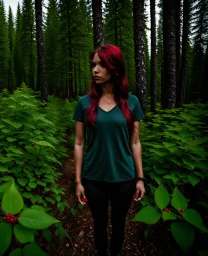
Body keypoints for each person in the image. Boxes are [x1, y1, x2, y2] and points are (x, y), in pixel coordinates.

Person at [72, 44, 145, 256]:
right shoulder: (84, 103)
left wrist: (140, 178)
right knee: (99, 224)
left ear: (114, 67)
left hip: (124, 177)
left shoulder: (132, 102)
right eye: (93, 64)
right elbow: (78, 142)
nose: (95, 69)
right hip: (94, 178)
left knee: (119, 224)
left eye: (101, 65)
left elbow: (135, 142)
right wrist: (78, 181)